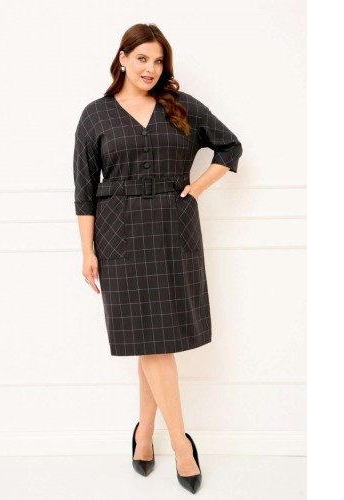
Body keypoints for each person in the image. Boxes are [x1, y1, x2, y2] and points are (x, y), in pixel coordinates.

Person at [73, 23, 243, 494]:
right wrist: (87, 250)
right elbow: (83, 189)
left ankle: (145, 434)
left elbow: (230, 146)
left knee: (154, 340)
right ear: (123, 58)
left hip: (172, 228)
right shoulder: (95, 115)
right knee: (150, 341)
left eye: (159, 60)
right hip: (118, 235)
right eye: (142, 58)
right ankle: (181, 444)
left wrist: (198, 187)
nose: (150, 68)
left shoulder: (180, 106)